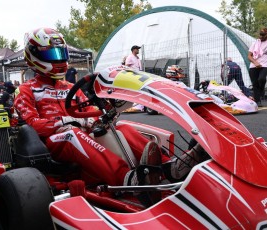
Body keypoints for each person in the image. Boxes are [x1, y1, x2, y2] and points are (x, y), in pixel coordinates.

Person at [14, 27, 204, 187]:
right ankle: (126, 178)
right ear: (34, 55)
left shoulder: (70, 88)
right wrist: (65, 121)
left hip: (80, 134)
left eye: (61, 54)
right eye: (52, 55)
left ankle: (169, 167)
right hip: (52, 143)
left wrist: (95, 118)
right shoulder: (26, 90)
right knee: (73, 135)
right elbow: (31, 125)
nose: (58, 60)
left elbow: (89, 111)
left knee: (121, 127)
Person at [248, 28, 267, 107]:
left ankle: (262, 89)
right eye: (260, 34)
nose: (261, 36)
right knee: (255, 84)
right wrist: (255, 62)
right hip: (254, 66)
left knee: (261, 79)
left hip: (264, 65)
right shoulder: (255, 43)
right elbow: (249, 56)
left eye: (263, 35)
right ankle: (258, 101)